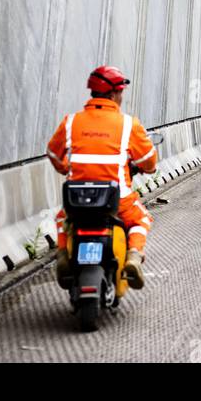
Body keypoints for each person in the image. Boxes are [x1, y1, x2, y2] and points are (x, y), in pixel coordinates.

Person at [47, 65, 157, 289]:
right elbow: (149, 160)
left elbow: (52, 153)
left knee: (62, 218)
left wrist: (65, 167)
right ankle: (134, 257)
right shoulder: (128, 124)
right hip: (117, 201)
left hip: (77, 200)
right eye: (121, 93)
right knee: (141, 219)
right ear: (113, 94)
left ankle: (62, 256)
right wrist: (146, 167)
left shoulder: (71, 122)